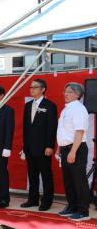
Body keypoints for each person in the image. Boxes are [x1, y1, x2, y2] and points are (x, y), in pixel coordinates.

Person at [21, 79, 57, 211]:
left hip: (43, 148)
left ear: (43, 89)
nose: (31, 89)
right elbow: (25, 128)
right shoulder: (27, 105)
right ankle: (33, 199)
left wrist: (50, 146)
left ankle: (47, 201)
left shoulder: (50, 105)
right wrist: (24, 146)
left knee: (45, 174)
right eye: (30, 87)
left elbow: (51, 127)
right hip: (30, 147)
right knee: (32, 174)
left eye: (34, 87)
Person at [56, 82, 90, 221]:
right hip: (65, 149)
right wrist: (59, 147)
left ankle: (83, 211)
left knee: (79, 180)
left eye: (69, 91)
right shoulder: (66, 109)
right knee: (68, 180)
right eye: (65, 91)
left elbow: (79, 131)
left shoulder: (79, 109)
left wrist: (73, 152)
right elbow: (64, 131)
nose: (66, 93)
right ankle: (72, 206)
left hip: (76, 149)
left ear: (77, 94)